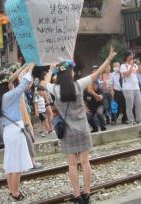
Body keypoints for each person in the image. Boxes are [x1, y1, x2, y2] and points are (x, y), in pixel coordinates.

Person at [44, 46, 117, 204]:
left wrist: (50, 70)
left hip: (67, 132)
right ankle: (87, 193)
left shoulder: (55, 89)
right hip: (83, 129)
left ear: (59, 74)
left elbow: (44, 83)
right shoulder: (79, 85)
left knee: (72, 164)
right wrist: (109, 58)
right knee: (85, 162)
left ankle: (77, 196)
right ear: (70, 73)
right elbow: (97, 73)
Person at [0, 63, 34, 201]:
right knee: (16, 165)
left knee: (10, 164)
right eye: (10, 82)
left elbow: (18, 82)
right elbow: (24, 84)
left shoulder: (0, 97)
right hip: (15, 131)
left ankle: (12, 191)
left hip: (8, 131)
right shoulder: (9, 96)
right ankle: (16, 193)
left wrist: (24, 66)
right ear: (6, 84)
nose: (12, 83)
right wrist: (30, 68)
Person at [120, 51, 141, 124]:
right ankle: (131, 121)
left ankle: (139, 119)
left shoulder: (135, 65)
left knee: (139, 103)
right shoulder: (123, 66)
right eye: (130, 55)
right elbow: (127, 74)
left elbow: (140, 72)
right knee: (130, 105)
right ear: (127, 57)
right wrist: (132, 65)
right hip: (128, 88)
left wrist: (138, 64)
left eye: (132, 56)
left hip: (136, 87)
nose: (132, 57)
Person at [84, 66, 106, 132]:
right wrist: (85, 108)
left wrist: (94, 94)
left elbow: (100, 98)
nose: (92, 86)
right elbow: (84, 100)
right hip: (91, 107)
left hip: (100, 105)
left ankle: (103, 127)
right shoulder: (85, 91)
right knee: (88, 116)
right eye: (91, 84)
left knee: (99, 113)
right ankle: (95, 128)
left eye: (94, 84)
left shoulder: (99, 89)